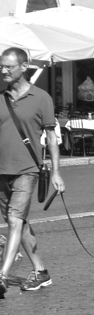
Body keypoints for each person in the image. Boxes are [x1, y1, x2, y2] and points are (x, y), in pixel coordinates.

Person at [0, 47, 66, 298]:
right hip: (1, 170)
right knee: (18, 221)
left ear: (24, 67)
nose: (3, 70)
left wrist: (57, 173)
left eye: (9, 66)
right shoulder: (1, 96)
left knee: (15, 220)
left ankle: (2, 276)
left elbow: (51, 138)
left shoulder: (41, 98)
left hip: (27, 169)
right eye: (1, 66)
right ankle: (41, 271)